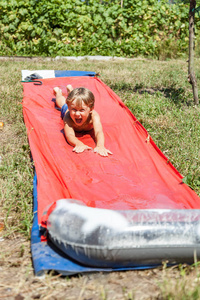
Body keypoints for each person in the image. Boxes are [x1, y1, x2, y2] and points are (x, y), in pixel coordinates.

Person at [53, 85, 112, 157]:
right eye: (74, 110)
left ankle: (71, 91)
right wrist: (79, 143)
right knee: (61, 103)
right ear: (69, 107)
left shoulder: (93, 116)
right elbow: (69, 135)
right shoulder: (68, 117)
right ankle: (58, 93)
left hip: (75, 105)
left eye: (82, 110)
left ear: (91, 109)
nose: (77, 114)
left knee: (75, 101)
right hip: (66, 108)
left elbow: (98, 132)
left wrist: (100, 146)